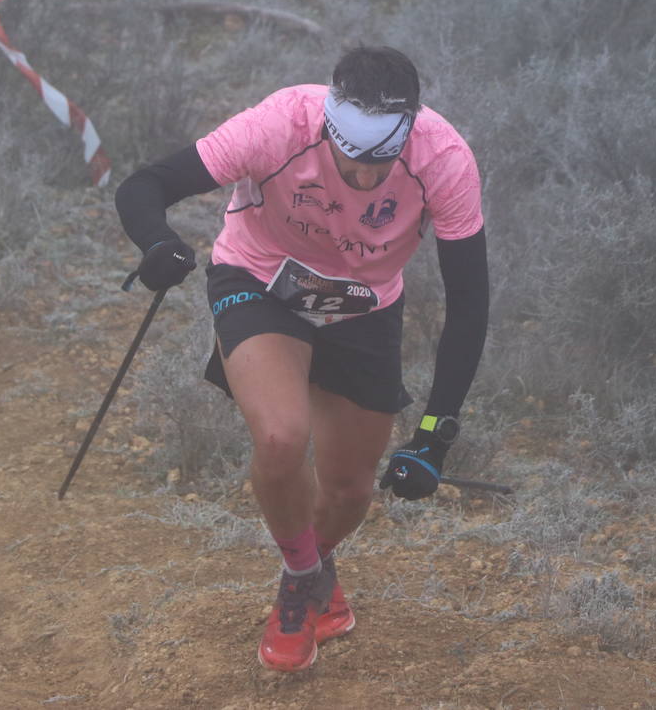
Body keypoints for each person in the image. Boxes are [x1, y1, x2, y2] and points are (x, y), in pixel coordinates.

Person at [114, 45, 489, 672]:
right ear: (327, 130)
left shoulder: (445, 160)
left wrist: (434, 436)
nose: (367, 179)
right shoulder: (280, 123)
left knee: (349, 489)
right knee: (283, 438)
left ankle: (320, 568)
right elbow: (146, 184)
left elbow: (469, 306)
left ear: (409, 135)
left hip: (364, 304)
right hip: (261, 279)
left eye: (383, 162)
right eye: (351, 161)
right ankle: (300, 579)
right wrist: (159, 244)